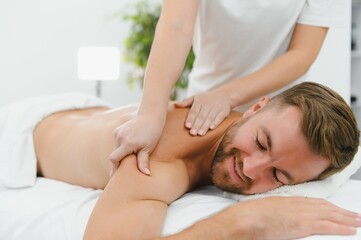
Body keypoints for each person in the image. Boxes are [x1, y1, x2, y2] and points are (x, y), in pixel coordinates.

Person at [27, 82, 360, 239]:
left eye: (278, 175)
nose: (250, 169)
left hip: (90, 112)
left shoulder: (233, 129)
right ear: (256, 107)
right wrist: (238, 223)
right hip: (24, 133)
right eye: (260, 142)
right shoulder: (154, 160)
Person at [110, 0, 344, 175]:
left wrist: (226, 96)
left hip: (279, 121)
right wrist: (150, 114)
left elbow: (302, 54)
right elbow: (176, 26)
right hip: (203, 111)